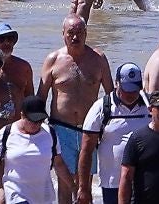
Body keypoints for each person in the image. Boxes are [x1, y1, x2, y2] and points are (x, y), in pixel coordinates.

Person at [39, 15, 114, 203]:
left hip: (89, 131)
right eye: (70, 33)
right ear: (63, 34)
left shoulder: (98, 59)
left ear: (86, 33)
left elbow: (111, 96)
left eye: (79, 32)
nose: (75, 37)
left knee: (84, 185)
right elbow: (41, 98)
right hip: (61, 129)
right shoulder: (53, 60)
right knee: (65, 184)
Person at [77, 62, 151, 204]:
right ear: (117, 84)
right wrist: (84, 188)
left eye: (134, 90)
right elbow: (86, 151)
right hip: (112, 183)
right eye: (126, 90)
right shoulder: (101, 108)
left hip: (145, 183)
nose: (130, 94)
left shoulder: (151, 107)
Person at [0, 95, 71, 204]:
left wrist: (73, 187)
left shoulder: (50, 133)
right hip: (16, 193)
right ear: (22, 115)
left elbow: (58, 163)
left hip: (42, 196)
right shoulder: (6, 133)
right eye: (32, 120)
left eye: (40, 120)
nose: (36, 124)